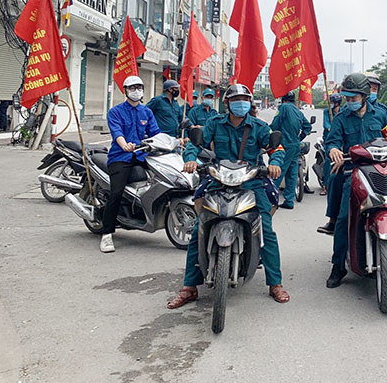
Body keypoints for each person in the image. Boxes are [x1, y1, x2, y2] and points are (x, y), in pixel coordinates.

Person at [167, 83, 290, 307]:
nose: (240, 104)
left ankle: (275, 283)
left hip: (252, 181)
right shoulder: (214, 124)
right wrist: (191, 160)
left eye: (244, 100)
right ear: (227, 104)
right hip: (218, 181)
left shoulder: (260, 126)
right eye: (235, 100)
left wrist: (274, 163)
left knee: (266, 229)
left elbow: (276, 148)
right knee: (199, 229)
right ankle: (189, 286)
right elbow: (196, 144)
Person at [324, 72, 387, 288]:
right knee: (343, 219)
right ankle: (338, 266)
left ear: (364, 96)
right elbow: (333, 141)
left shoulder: (381, 114)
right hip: (354, 172)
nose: (349, 102)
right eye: (347, 98)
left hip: (383, 170)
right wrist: (334, 152)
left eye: (353, 98)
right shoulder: (340, 118)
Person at [101, 76, 161, 253]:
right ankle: (106, 234)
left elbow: (155, 133)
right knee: (116, 193)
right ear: (125, 91)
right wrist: (124, 144)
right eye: (132, 88)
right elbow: (117, 132)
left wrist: (170, 142)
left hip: (141, 156)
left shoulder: (146, 112)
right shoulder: (115, 111)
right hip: (120, 157)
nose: (136, 91)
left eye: (139, 87)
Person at [271, 91, 312, 208]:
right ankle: (289, 201)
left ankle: (270, 200)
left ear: (283, 100)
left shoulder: (283, 107)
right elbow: (308, 126)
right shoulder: (297, 111)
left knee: (279, 171)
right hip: (296, 145)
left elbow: (275, 125)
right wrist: (299, 137)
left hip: (285, 145)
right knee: (292, 174)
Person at [317, 93, 343, 234]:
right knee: (330, 166)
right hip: (331, 143)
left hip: (349, 149)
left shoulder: (345, 112)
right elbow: (327, 126)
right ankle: (325, 186)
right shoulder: (327, 112)